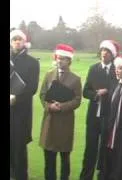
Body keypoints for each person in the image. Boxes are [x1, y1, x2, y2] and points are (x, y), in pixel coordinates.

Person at [39, 44, 82, 180]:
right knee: (49, 158)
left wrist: (62, 106)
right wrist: (49, 106)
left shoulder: (75, 79)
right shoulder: (49, 75)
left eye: (63, 59)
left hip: (65, 122)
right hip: (49, 121)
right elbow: (42, 94)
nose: (59, 61)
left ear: (69, 61)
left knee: (64, 158)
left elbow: (77, 100)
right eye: (58, 58)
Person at [79, 40, 119, 180]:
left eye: (107, 51)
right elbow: (85, 91)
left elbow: (119, 91)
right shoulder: (93, 68)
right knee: (90, 147)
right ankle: (86, 176)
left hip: (108, 115)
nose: (104, 53)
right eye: (102, 50)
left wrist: (107, 92)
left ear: (112, 54)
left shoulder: (117, 70)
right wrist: (96, 95)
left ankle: (103, 175)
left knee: (105, 148)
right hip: (93, 116)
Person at [10, 29, 40, 180]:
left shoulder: (33, 63)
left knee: (19, 145)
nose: (17, 41)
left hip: (22, 110)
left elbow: (32, 87)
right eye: (14, 39)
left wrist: (16, 98)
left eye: (19, 39)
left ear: (24, 42)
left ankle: (21, 176)